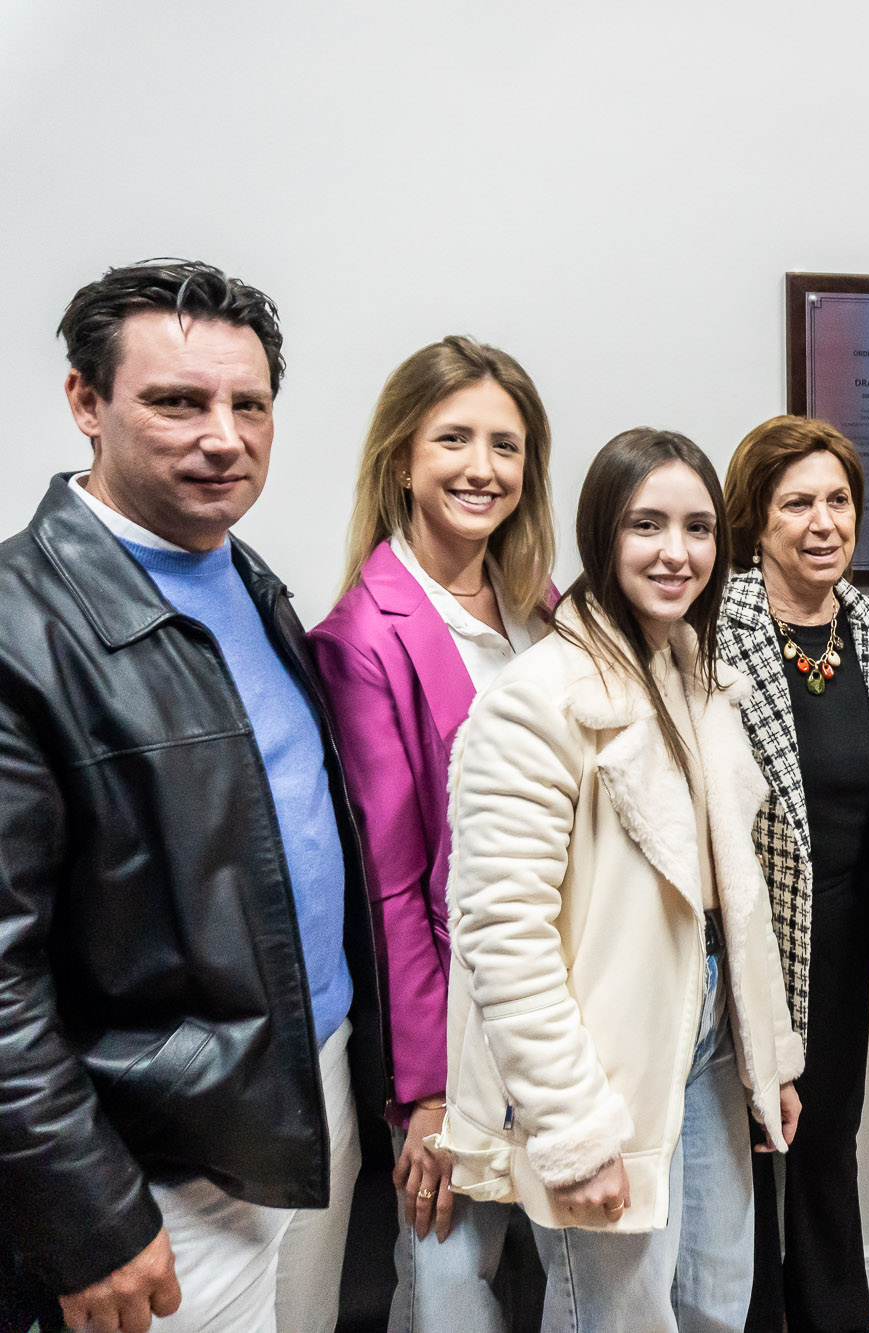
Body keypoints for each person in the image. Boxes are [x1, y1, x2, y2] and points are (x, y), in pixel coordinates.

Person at [0, 259, 384, 1333]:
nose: (224, 437)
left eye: (248, 405)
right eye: (178, 402)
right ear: (86, 402)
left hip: (306, 1093)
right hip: (159, 1162)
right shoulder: (20, 628)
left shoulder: (247, 577)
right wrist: (87, 1215)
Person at [438, 428, 803, 1333]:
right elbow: (503, 937)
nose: (677, 552)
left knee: (716, 1299)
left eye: (698, 528)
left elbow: (736, 897)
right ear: (602, 533)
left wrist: (769, 1056)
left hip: (707, 1034)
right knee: (618, 1315)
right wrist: (575, 1130)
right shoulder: (537, 697)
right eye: (647, 524)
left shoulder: (697, 678)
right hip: (601, 1060)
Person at [309, 336, 558, 1332]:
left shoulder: (541, 606)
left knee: (574, 1278)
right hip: (454, 1029)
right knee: (452, 1287)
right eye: (453, 438)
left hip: (557, 1001)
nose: (481, 467)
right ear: (402, 458)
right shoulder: (361, 637)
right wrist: (425, 1092)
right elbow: (390, 887)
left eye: (506, 444)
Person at [715, 416, 869, 1333]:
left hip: (846, 933)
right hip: (742, 937)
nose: (824, 523)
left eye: (838, 500)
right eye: (797, 504)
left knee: (825, 1137)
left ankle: (833, 1316)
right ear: (756, 518)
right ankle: (749, 1318)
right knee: (744, 1145)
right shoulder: (712, 629)